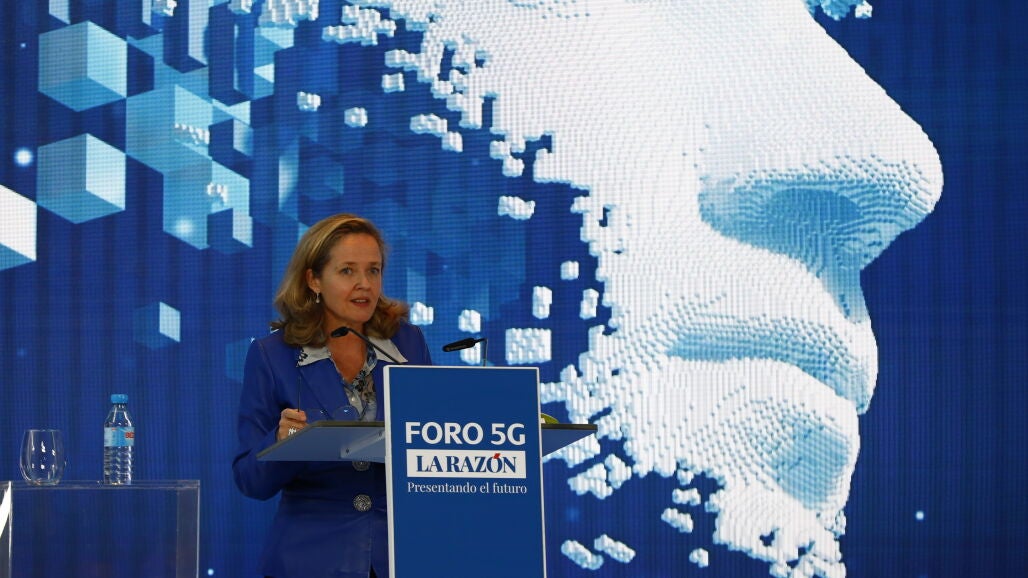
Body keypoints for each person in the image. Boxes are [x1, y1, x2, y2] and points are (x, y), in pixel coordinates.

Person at [233, 213, 432, 578]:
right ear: (314, 280)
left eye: (373, 271)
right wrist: (281, 444)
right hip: (309, 558)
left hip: (398, 557)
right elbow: (250, 479)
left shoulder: (408, 343)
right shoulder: (272, 355)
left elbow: (430, 444)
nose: (364, 284)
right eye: (347, 271)